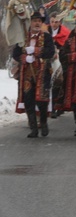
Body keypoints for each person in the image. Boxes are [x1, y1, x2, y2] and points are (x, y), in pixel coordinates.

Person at [12, 10, 56, 138]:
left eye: (39, 21)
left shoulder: (46, 37)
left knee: (42, 101)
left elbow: (50, 52)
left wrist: (36, 51)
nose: (37, 23)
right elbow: (15, 53)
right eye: (35, 21)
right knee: (28, 101)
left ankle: (43, 123)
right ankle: (33, 128)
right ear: (30, 23)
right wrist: (24, 58)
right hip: (27, 74)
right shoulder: (23, 37)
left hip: (42, 74)